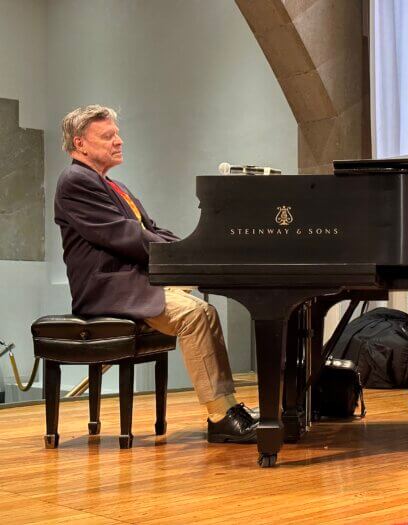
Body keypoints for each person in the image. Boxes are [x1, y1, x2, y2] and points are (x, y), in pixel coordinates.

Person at [54, 105, 257, 443]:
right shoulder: (75, 181)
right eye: (108, 136)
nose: (119, 141)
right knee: (195, 313)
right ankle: (220, 415)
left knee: (211, 298)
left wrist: (191, 250)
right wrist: (184, 256)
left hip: (131, 279)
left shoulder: (114, 185)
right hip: (108, 289)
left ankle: (230, 405)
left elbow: (150, 229)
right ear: (80, 144)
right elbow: (123, 234)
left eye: (117, 134)